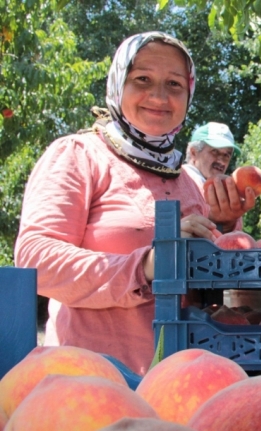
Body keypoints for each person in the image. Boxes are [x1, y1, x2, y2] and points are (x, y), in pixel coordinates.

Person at [14, 31, 220, 376]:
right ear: (117, 83)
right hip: (89, 387)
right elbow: (37, 259)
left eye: (174, 84)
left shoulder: (186, 182)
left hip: (178, 389)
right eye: (142, 79)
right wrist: (147, 264)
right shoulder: (78, 156)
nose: (158, 96)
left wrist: (227, 237)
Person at [182, 122, 244, 232]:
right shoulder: (183, 178)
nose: (221, 160)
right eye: (214, 151)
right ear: (194, 152)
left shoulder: (223, 187)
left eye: (226, 155)